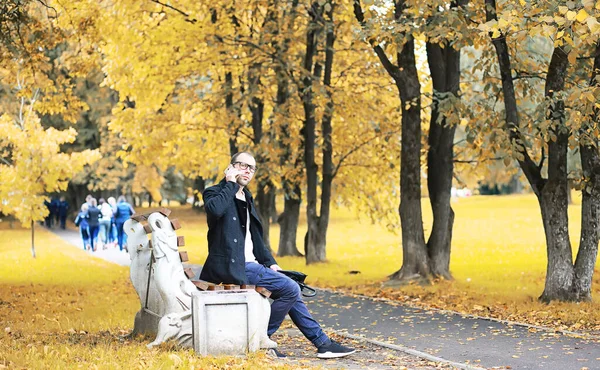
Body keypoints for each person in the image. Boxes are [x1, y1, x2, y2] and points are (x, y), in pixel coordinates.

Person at [200, 152, 355, 359]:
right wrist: (230, 183)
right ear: (231, 167)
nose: (247, 170)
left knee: (292, 289)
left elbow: (256, 240)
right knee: (290, 289)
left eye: (251, 168)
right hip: (232, 266)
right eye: (242, 165)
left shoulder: (247, 197)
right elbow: (215, 210)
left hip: (251, 265)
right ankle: (262, 339)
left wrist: (271, 264)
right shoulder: (214, 192)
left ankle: (323, 343)